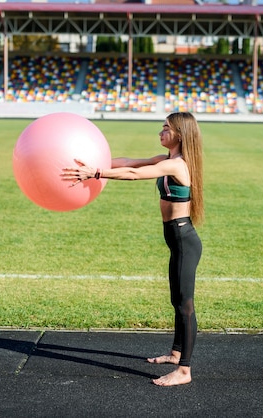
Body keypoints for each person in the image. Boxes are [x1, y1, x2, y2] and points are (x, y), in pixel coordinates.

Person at [61, 112, 204, 386]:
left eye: (166, 128)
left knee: (185, 305)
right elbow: (128, 162)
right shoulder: (167, 160)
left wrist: (97, 173)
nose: (160, 133)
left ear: (180, 135)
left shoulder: (178, 166)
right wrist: (92, 164)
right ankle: (176, 354)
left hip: (185, 240)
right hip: (177, 240)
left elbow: (133, 174)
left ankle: (184, 371)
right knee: (177, 299)